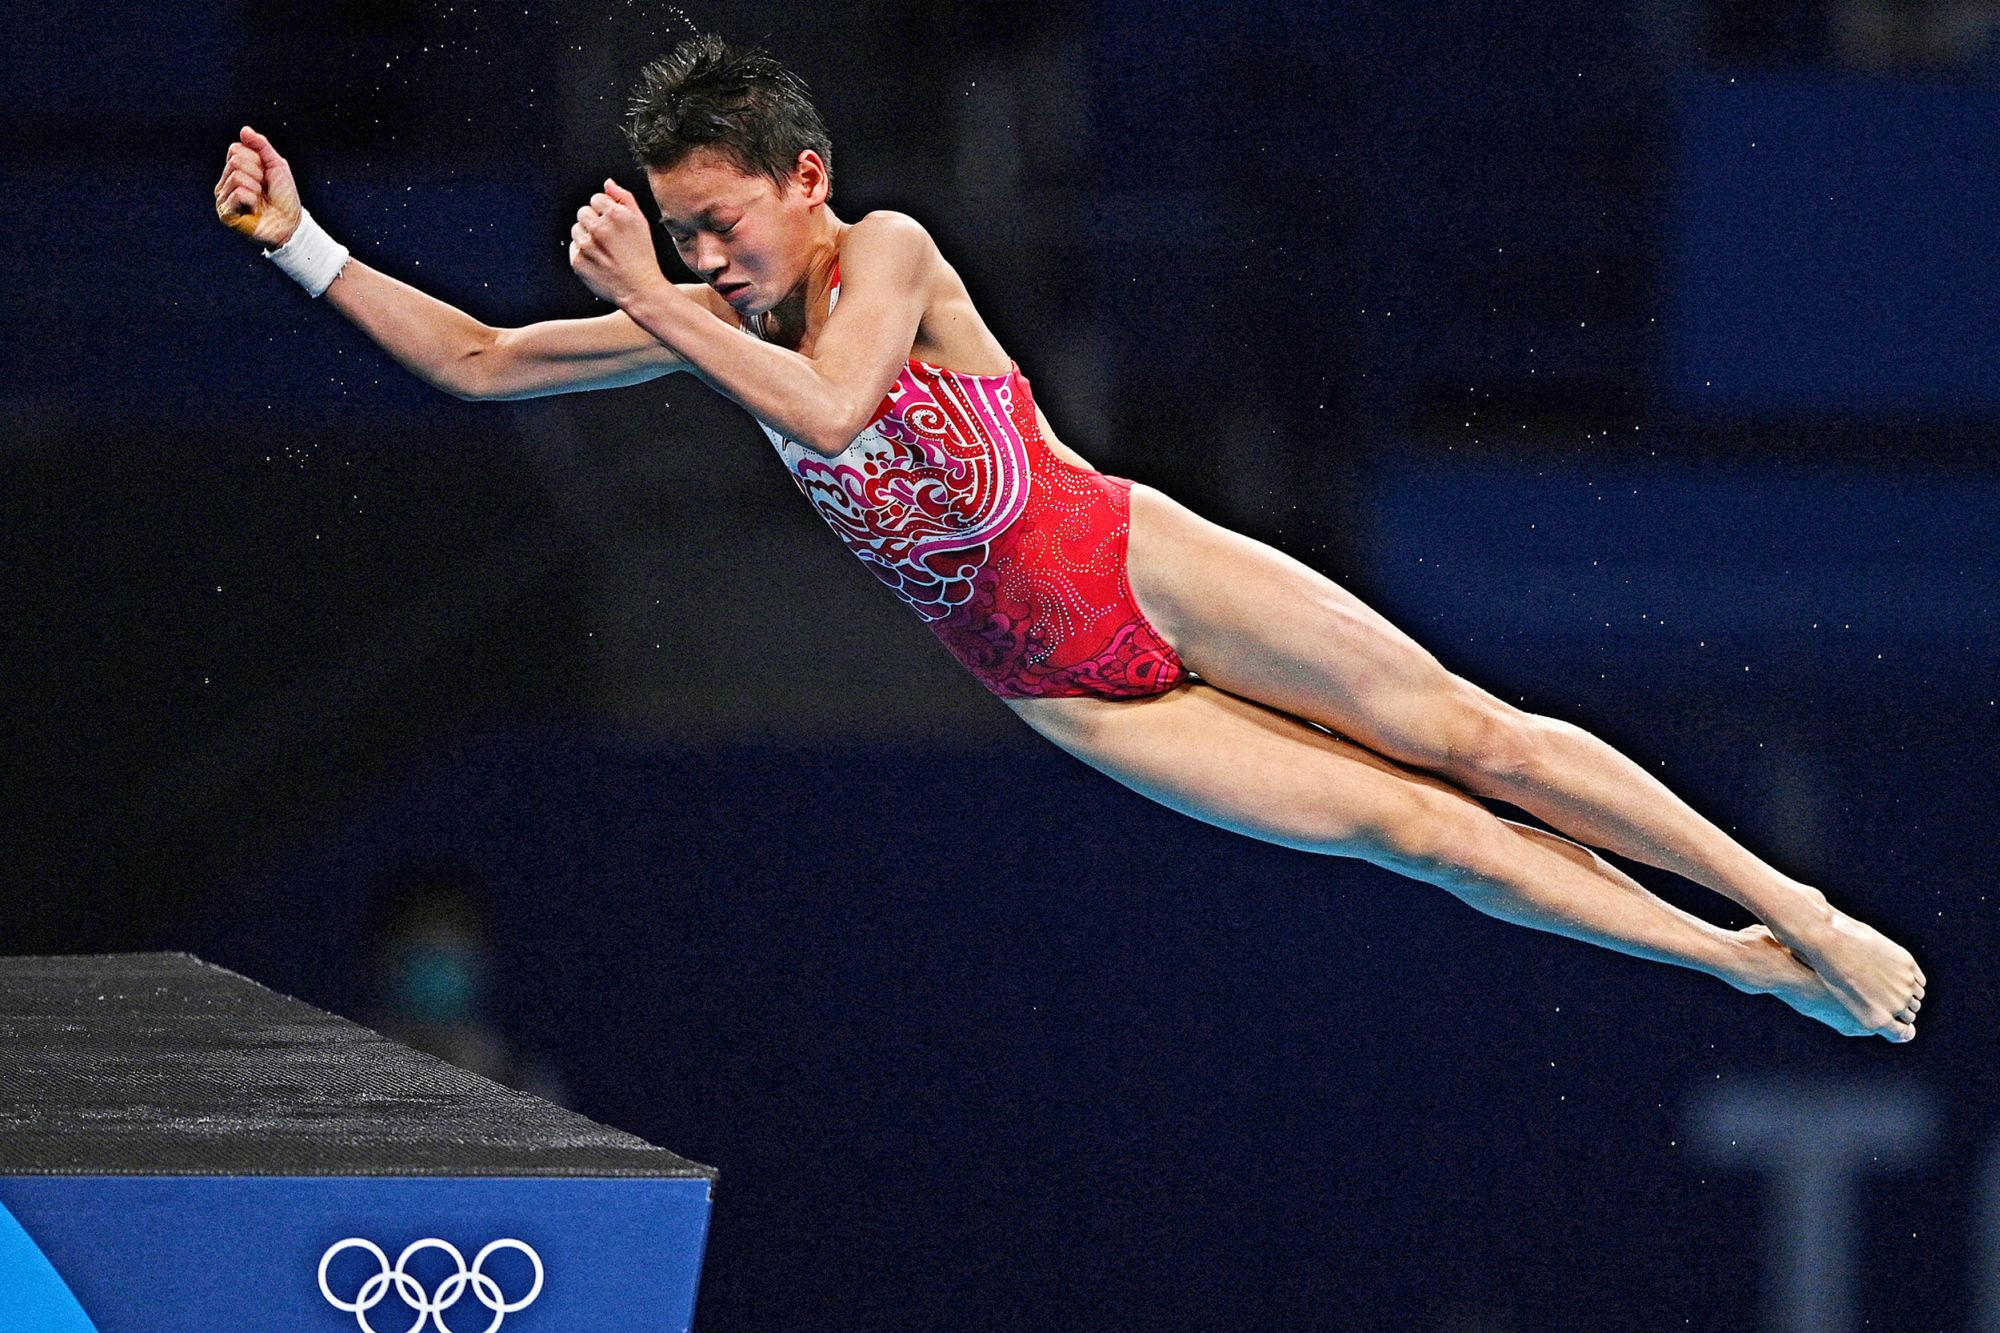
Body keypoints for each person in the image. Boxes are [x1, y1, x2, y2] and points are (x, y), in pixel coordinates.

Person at [213, 33, 1926, 1043]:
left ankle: (1800, 901)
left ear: (802, 181)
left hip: (1135, 556)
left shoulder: (882, 251)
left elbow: (823, 408)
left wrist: (666, 311)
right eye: (679, 235)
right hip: (1072, 689)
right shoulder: (698, 315)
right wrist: (304, 243)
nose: (703, 258)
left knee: (1469, 735)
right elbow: (485, 356)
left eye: (719, 224)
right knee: (1429, 839)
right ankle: (1743, 965)